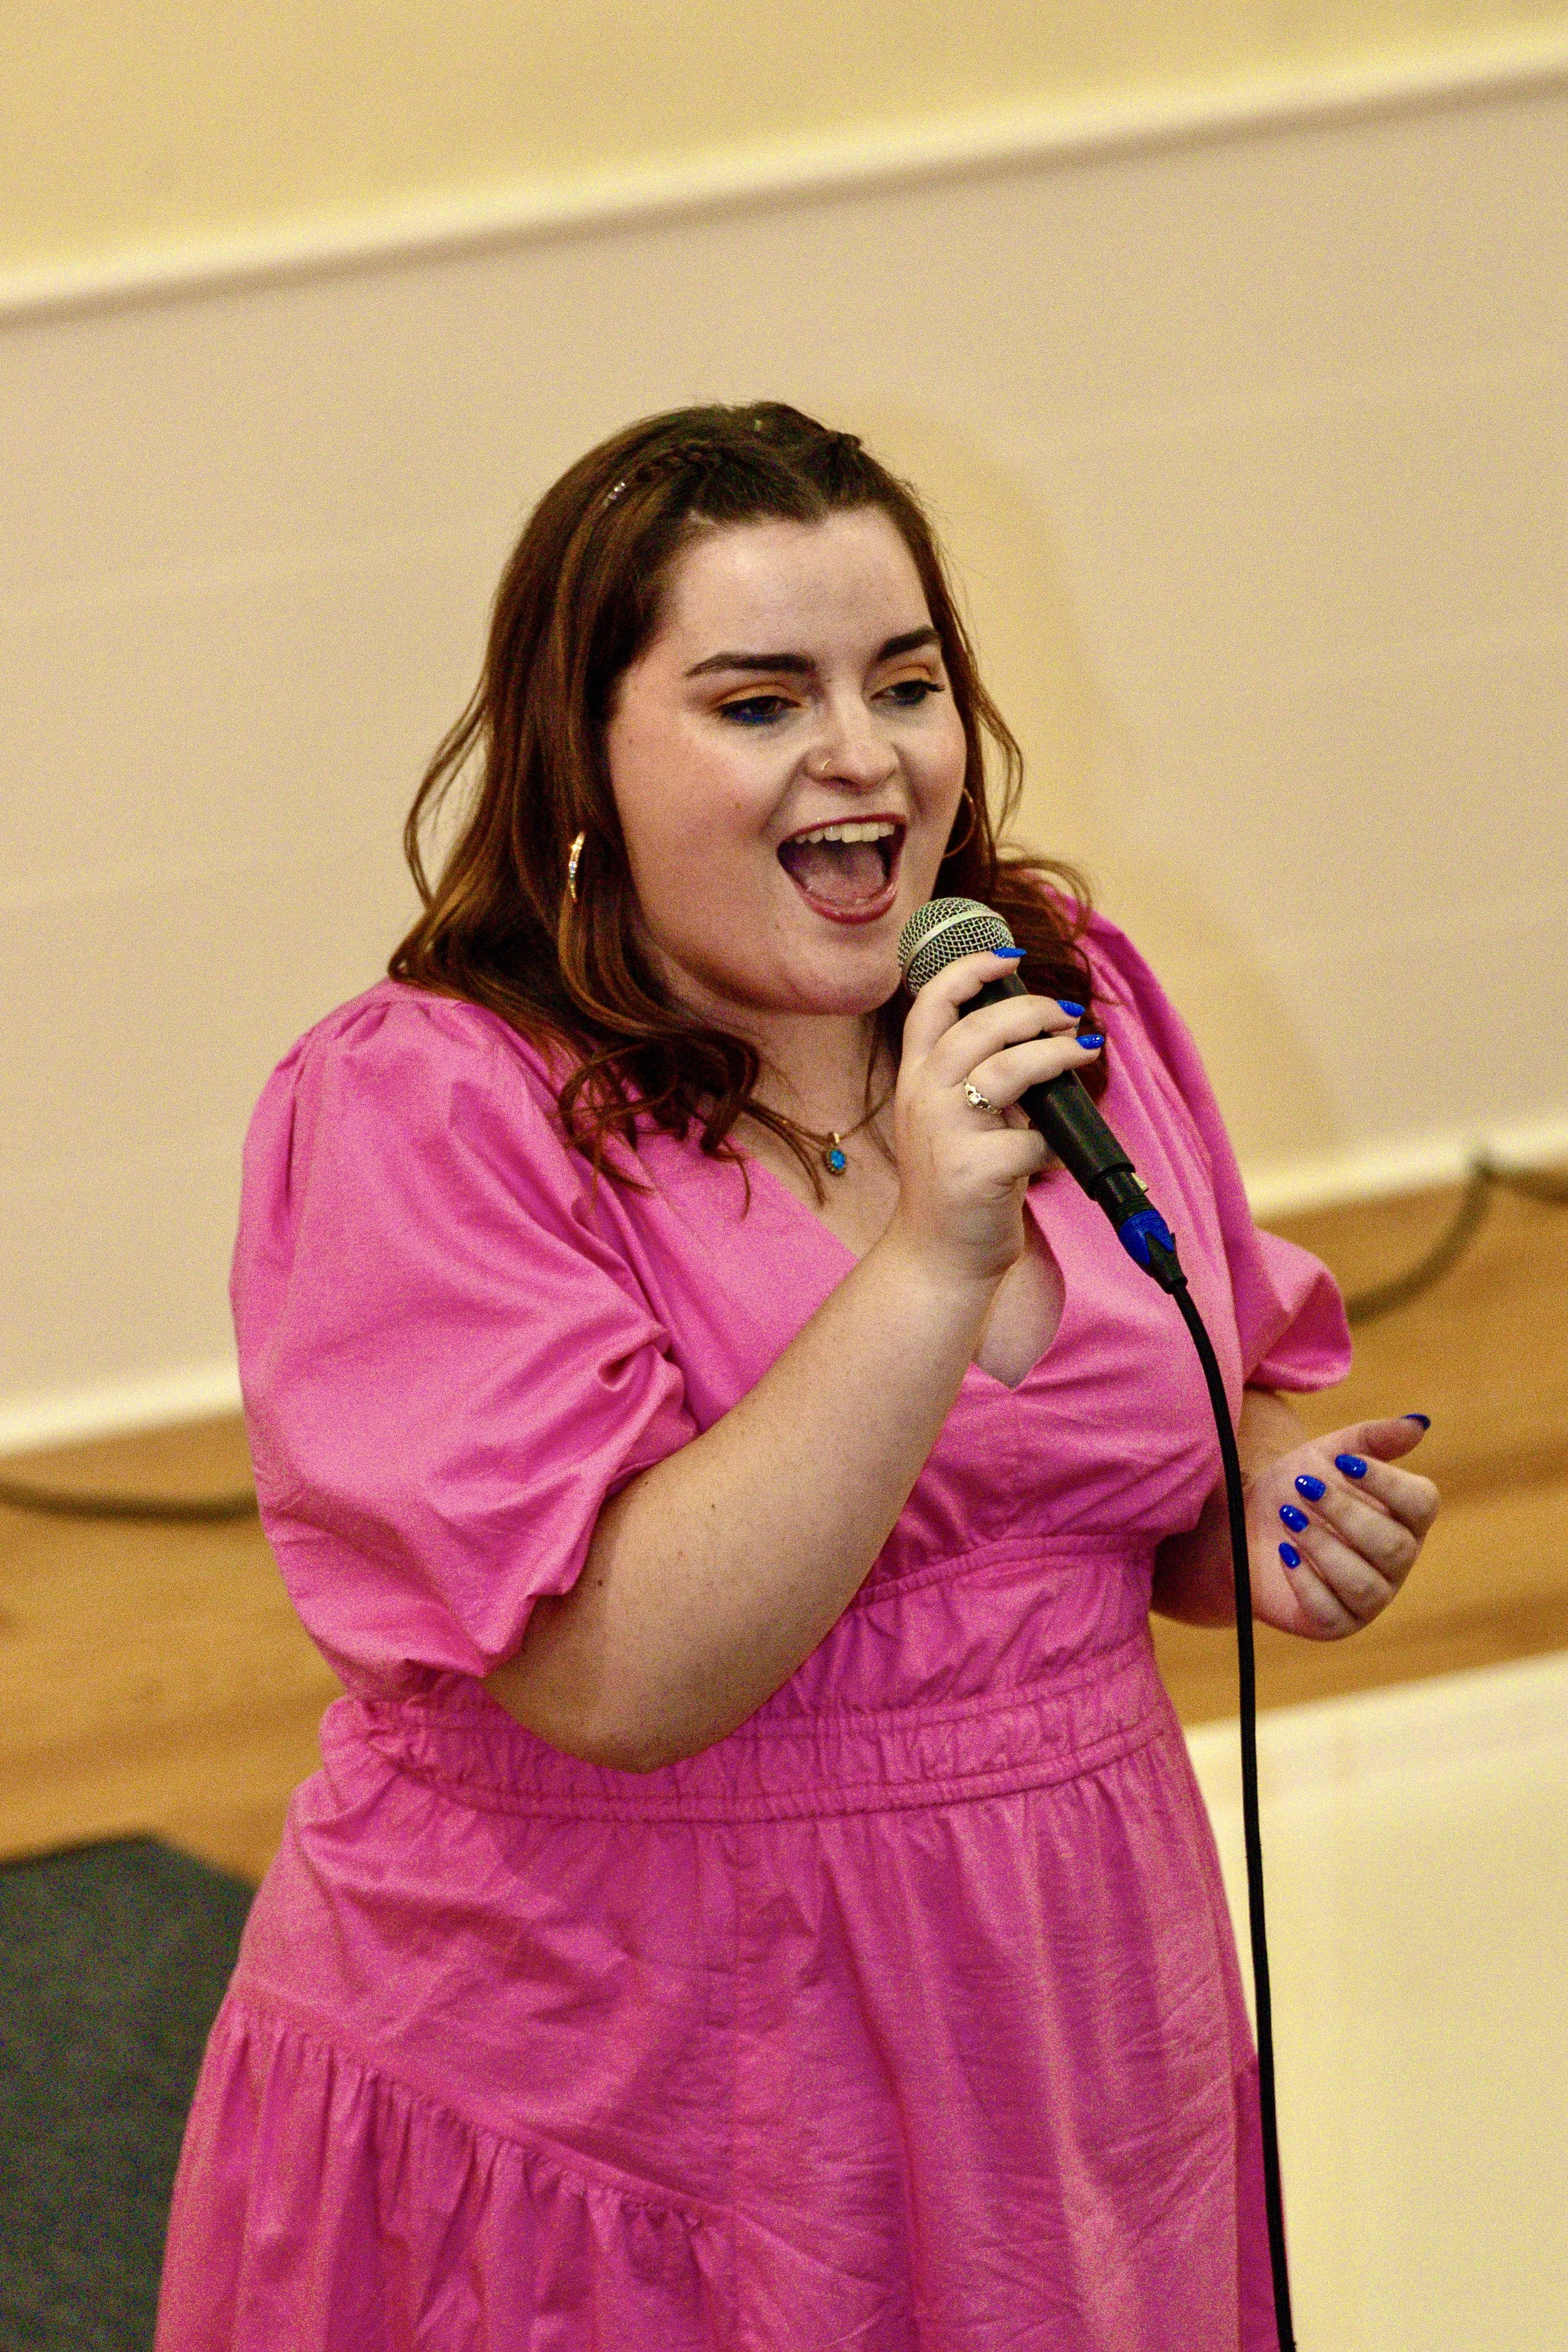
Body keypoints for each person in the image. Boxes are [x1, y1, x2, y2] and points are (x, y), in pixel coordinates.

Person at [156, 403, 1439, 2351]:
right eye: (761, 702)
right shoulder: (428, 1105)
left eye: (903, 684)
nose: (864, 753)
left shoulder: (1048, 994)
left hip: (1063, 2061)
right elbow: (620, 1676)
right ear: (582, 757)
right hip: (629, 2102)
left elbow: (1151, 1440)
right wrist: (928, 1261)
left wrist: (1259, 1495)